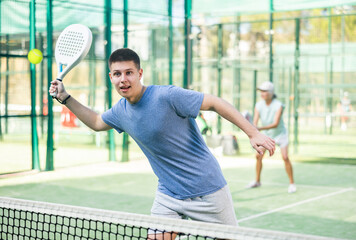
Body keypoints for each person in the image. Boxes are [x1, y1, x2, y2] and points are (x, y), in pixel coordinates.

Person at [50, 48, 275, 239]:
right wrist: (66, 98)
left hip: (207, 191)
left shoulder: (167, 96)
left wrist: (253, 133)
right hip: (169, 195)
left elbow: (215, 102)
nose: (123, 79)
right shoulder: (121, 111)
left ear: (140, 73)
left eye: (129, 73)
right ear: (111, 77)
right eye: (117, 74)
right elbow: (97, 122)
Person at [247, 81, 296, 194]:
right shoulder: (258, 105)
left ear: (271, 92)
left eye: (264, 91)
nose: (262, 93)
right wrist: (254, 128)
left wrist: (259, 128)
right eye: (261, 91)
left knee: (285, 157)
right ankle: (257, 181)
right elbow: (255, 122)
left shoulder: (279, 105)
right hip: (267, 135)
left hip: (280, 134)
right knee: (258, 156)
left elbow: (275, 123)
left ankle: (292, 183)